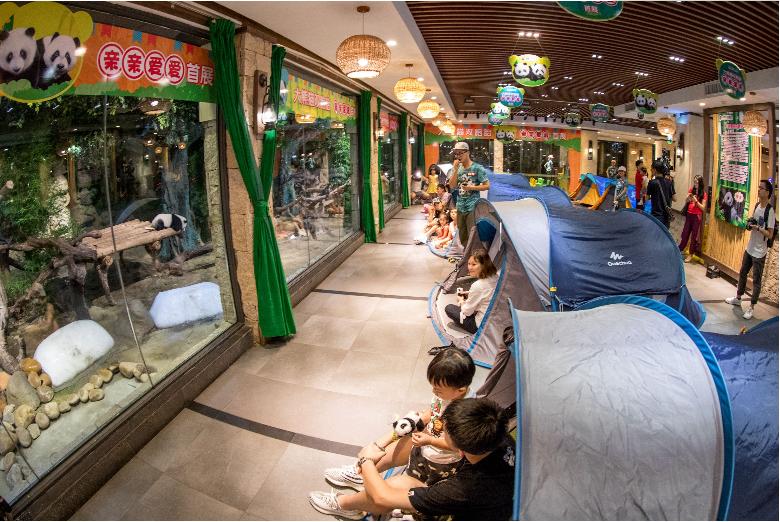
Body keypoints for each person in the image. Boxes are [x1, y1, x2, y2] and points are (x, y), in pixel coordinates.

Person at [309, 349, 478, 519]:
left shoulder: (464, 416)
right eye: (433, 387)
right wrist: (417, 420)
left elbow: (456, 446)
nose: (434, 392)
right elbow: (434, 410)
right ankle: (361, 476)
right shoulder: (447, 394)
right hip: (425, 452)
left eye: (438, 390)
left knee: (398, 490)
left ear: (460, 390)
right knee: (410, 467)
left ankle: (351, 504)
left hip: (441, 463)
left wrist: (430, 441)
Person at [725, 179, 776, 320]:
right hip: (750, 247)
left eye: (761, 188)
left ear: (767, 192)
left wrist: (758, 228)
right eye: (759, 187)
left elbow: (770, 234)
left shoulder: (770, 211)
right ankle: (738, 298)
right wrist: (750, 223)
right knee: (742, 273)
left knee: (756, 281)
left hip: (760, 251)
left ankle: (752, 307)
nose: (759, 190)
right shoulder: (757, 205)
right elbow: (753, 222)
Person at [444, 249, 498, 334]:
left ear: (484, 265)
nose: (470, 267)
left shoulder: (478, 285)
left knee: (449, 308)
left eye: (474, 264)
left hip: (481, 326)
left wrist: (461, 301)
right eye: (469, 264)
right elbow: (488, 294)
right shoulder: (496, 277)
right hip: (495, 322)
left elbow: (467, 312)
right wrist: (470, 293)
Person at [448, 142, 490, 246]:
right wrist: (455, 169)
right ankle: (466, 253)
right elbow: (452, 186)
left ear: (468, 152)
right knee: (462, 235)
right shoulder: (457, 168)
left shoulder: (477, 168)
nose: (458, 156)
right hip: (460, 206)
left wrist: (471, 187)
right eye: (456, 154)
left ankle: (473, 254)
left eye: (460, 153)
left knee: (472, 233)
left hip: (472, 206)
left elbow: (487, 186)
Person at [679, 175, 707, 262]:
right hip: (689, 214)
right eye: (694, 182)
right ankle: (680, 249)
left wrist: (696, 201)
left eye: (697, 182)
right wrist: (688, 198)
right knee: (685, 234)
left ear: (700, 183)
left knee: (694, 236)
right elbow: (686, 201)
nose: (695, 184)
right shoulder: (691, 190)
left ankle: (691, 254)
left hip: (696, 217)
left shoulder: (704, 194)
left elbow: (703, 208)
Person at [646, 158, 672, 228]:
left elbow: (647, 198)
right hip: (666, 216)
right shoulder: (669, 182)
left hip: (656, 215)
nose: (650, 170)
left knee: (656, 233)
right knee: (664, 233)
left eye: (651, 169)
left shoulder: (652, 182)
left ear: (655, 170)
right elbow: (675, 198)